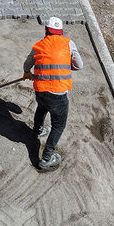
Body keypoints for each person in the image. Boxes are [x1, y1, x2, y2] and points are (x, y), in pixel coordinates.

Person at [23, 16, 83, 170]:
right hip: (58, 94)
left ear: (46, 30)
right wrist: (69, 66)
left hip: (41, 91)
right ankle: (46, 158)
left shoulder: (39, 45)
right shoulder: (68, 43)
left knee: (42, 107)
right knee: (58, 125)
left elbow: (28, 62)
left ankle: (37, 130)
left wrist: (26, 72)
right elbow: (79, 65)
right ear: (60, 32)